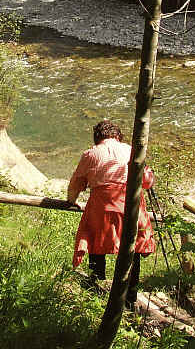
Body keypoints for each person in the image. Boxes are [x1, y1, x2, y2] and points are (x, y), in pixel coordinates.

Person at [67, 120, 156, 308]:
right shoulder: (132, 151)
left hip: (102, 207)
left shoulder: (90, 154)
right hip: (131, 205)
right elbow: (147, 182)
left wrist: (71, 201)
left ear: (97, 137)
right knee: (133, 250)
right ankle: (130, 298)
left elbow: (76, 184)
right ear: (118, 136)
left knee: (94, 239)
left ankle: (95, 282)